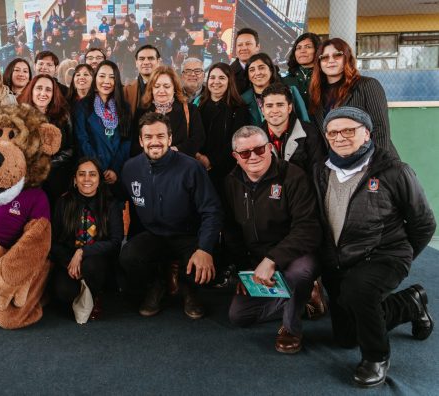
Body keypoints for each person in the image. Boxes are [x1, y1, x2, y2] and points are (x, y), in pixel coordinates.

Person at [313, 107, 435, 387]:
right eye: (333, 132)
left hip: (384, 254)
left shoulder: (395, 170)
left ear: (366, 133)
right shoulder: (321, 170)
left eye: (349, 130)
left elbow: (424, 223)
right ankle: (410, 303)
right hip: (340, 260)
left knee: (360, 290)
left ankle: (376, 357)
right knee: (346, 337)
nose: (340, 137)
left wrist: (401, 255)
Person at [223, 125, 321, 354]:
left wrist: (272, 259)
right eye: (245, 153)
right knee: (239, 316)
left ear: (269, 148)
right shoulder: (230, 182)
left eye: (259, 149)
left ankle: (291, 328)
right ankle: (304, 299)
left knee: (298, 274)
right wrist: (245, 272)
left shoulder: (294, 176)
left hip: (296, 254)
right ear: (236, 157)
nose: (253, 156)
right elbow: (232, 232)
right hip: (258, 260)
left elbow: (308, 228)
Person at [120, 112, 222, 319]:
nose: (154, 142)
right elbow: (124, 203)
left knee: (205, 263)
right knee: (129, 256)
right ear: (141, 141)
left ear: (170, 138)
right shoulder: (130, 168)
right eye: (148, 137)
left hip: (188, 235)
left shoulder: (191, 167)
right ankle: (157, 285)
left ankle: (189, 290)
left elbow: (212, 210)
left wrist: (205, 248)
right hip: (154, 233)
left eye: (160, 136)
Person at [51, 158, 124, 320]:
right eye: (81, 174)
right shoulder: (63, 202)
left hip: (98, 261)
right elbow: (54, 241)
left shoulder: (110, 204)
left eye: (92, 174)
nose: (87, 179)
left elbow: (116, 241)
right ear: (75, 180)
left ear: (99, 179)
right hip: (70, 259)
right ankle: (78, 291)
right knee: (64, 292)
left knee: (91, 266)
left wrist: (83, 251)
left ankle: (95, 295)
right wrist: (69, 263)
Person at [309, 38, 398, 158]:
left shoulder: (367, 85)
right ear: (319, 63)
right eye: (324, 57)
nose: (331, 61)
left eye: (337, 55)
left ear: (347, 58)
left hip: (372, 160)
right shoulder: (316, 93)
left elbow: (380, 128)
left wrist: (375, 163)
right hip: (339, 163)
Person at [74, 60, 131, 193]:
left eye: (112, 77)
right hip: (91, 173)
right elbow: (82, 140)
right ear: (95, 79)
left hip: (116, 174)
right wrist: (99, 168)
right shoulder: (83, 106)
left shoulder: (124, 108)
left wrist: (114, 169)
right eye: (102, 76)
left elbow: (126, 141)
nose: (107, 81)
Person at [17, 74, 74, 207]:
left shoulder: (63, 115)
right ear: (32, 90)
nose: (43, 93)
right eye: (39, 88)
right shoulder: (19, 116)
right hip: (27, 180)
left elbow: (71, 148)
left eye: (48, 90)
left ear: (54, 93)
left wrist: (47, 164)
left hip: (56, 178)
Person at [195, 62, 249, 192]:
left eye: (222, 78)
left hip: (226, 172)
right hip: (199, 168)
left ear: (229, 81)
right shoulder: (199, 106)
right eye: (212, 77)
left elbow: (237, 141)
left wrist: (211, 160)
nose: (216, 81)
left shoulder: (239, 108)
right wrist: (198, 156)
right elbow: (194, 135)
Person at [132, 66, 205, 158]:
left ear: (174, 88)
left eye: (166, 86)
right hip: (149, 165)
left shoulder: (190, 110)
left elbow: (198, 138)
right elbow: (134, 142)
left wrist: (176, 150)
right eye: (157, 86)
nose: (161, 90)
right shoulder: (141, 111)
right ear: (151, 89)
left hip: (180, 163)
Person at [261, 82, 325, 175]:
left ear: (289, 108)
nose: (274, 111)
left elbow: (318, 173)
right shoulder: (255, 137)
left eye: (280, 105)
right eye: (269, 106)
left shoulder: (311, 133)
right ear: (262, 110)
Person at [241, 53, 309, 127]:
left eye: (261, 68)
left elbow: (306, 124)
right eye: (252, 70)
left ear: (271, 70)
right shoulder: (243, 99)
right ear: (248, 75)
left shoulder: (291, 91)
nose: (257, 73)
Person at [282, 33, 320, 108]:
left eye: (308, 47)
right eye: (298, 48)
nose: (302, 51)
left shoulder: (326, 78)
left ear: (318, 50)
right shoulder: (284, 81)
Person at [124, 44, 161, 117]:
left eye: (151, 58)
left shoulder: (171, 89)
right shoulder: (126, 91)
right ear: (136, 62)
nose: (146, 62)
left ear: (158, 61)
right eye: (141, 59)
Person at [231, 28, 260, 94]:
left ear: (257, 47)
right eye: (240, 45)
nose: (244, 48)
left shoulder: (270, 71)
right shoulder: (228, 73)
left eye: (248, 44)